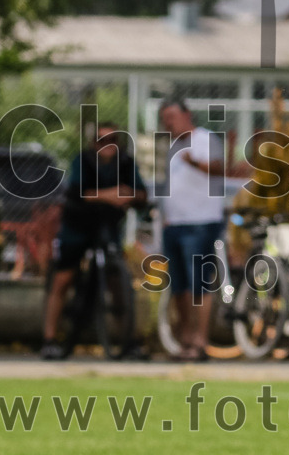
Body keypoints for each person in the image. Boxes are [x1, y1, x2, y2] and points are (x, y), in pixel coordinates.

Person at [41, 122, 147, 360]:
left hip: (108, 226)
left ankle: (128, 342)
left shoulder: (126, 163)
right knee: (64, 277)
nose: (107, 145)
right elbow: (76, 192)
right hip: (78, 226)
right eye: (101, 140)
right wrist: (110, 195)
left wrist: (129, 194)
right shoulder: (83, 160)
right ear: (93, 142)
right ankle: (48, 339)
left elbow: (141, 195)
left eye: (112, 140)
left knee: (117, 281)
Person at [158, 98, 226, 362]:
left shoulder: (204, 139)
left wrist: (195, 163)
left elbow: (220, 168)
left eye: (172, 116)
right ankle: (185, 341)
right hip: (174, 224)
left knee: (199, 285)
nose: (168, 122)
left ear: (187, 115)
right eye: (165, 118)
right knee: (179, 287)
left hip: (201, 223)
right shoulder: (173, 146)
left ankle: (200, 342)